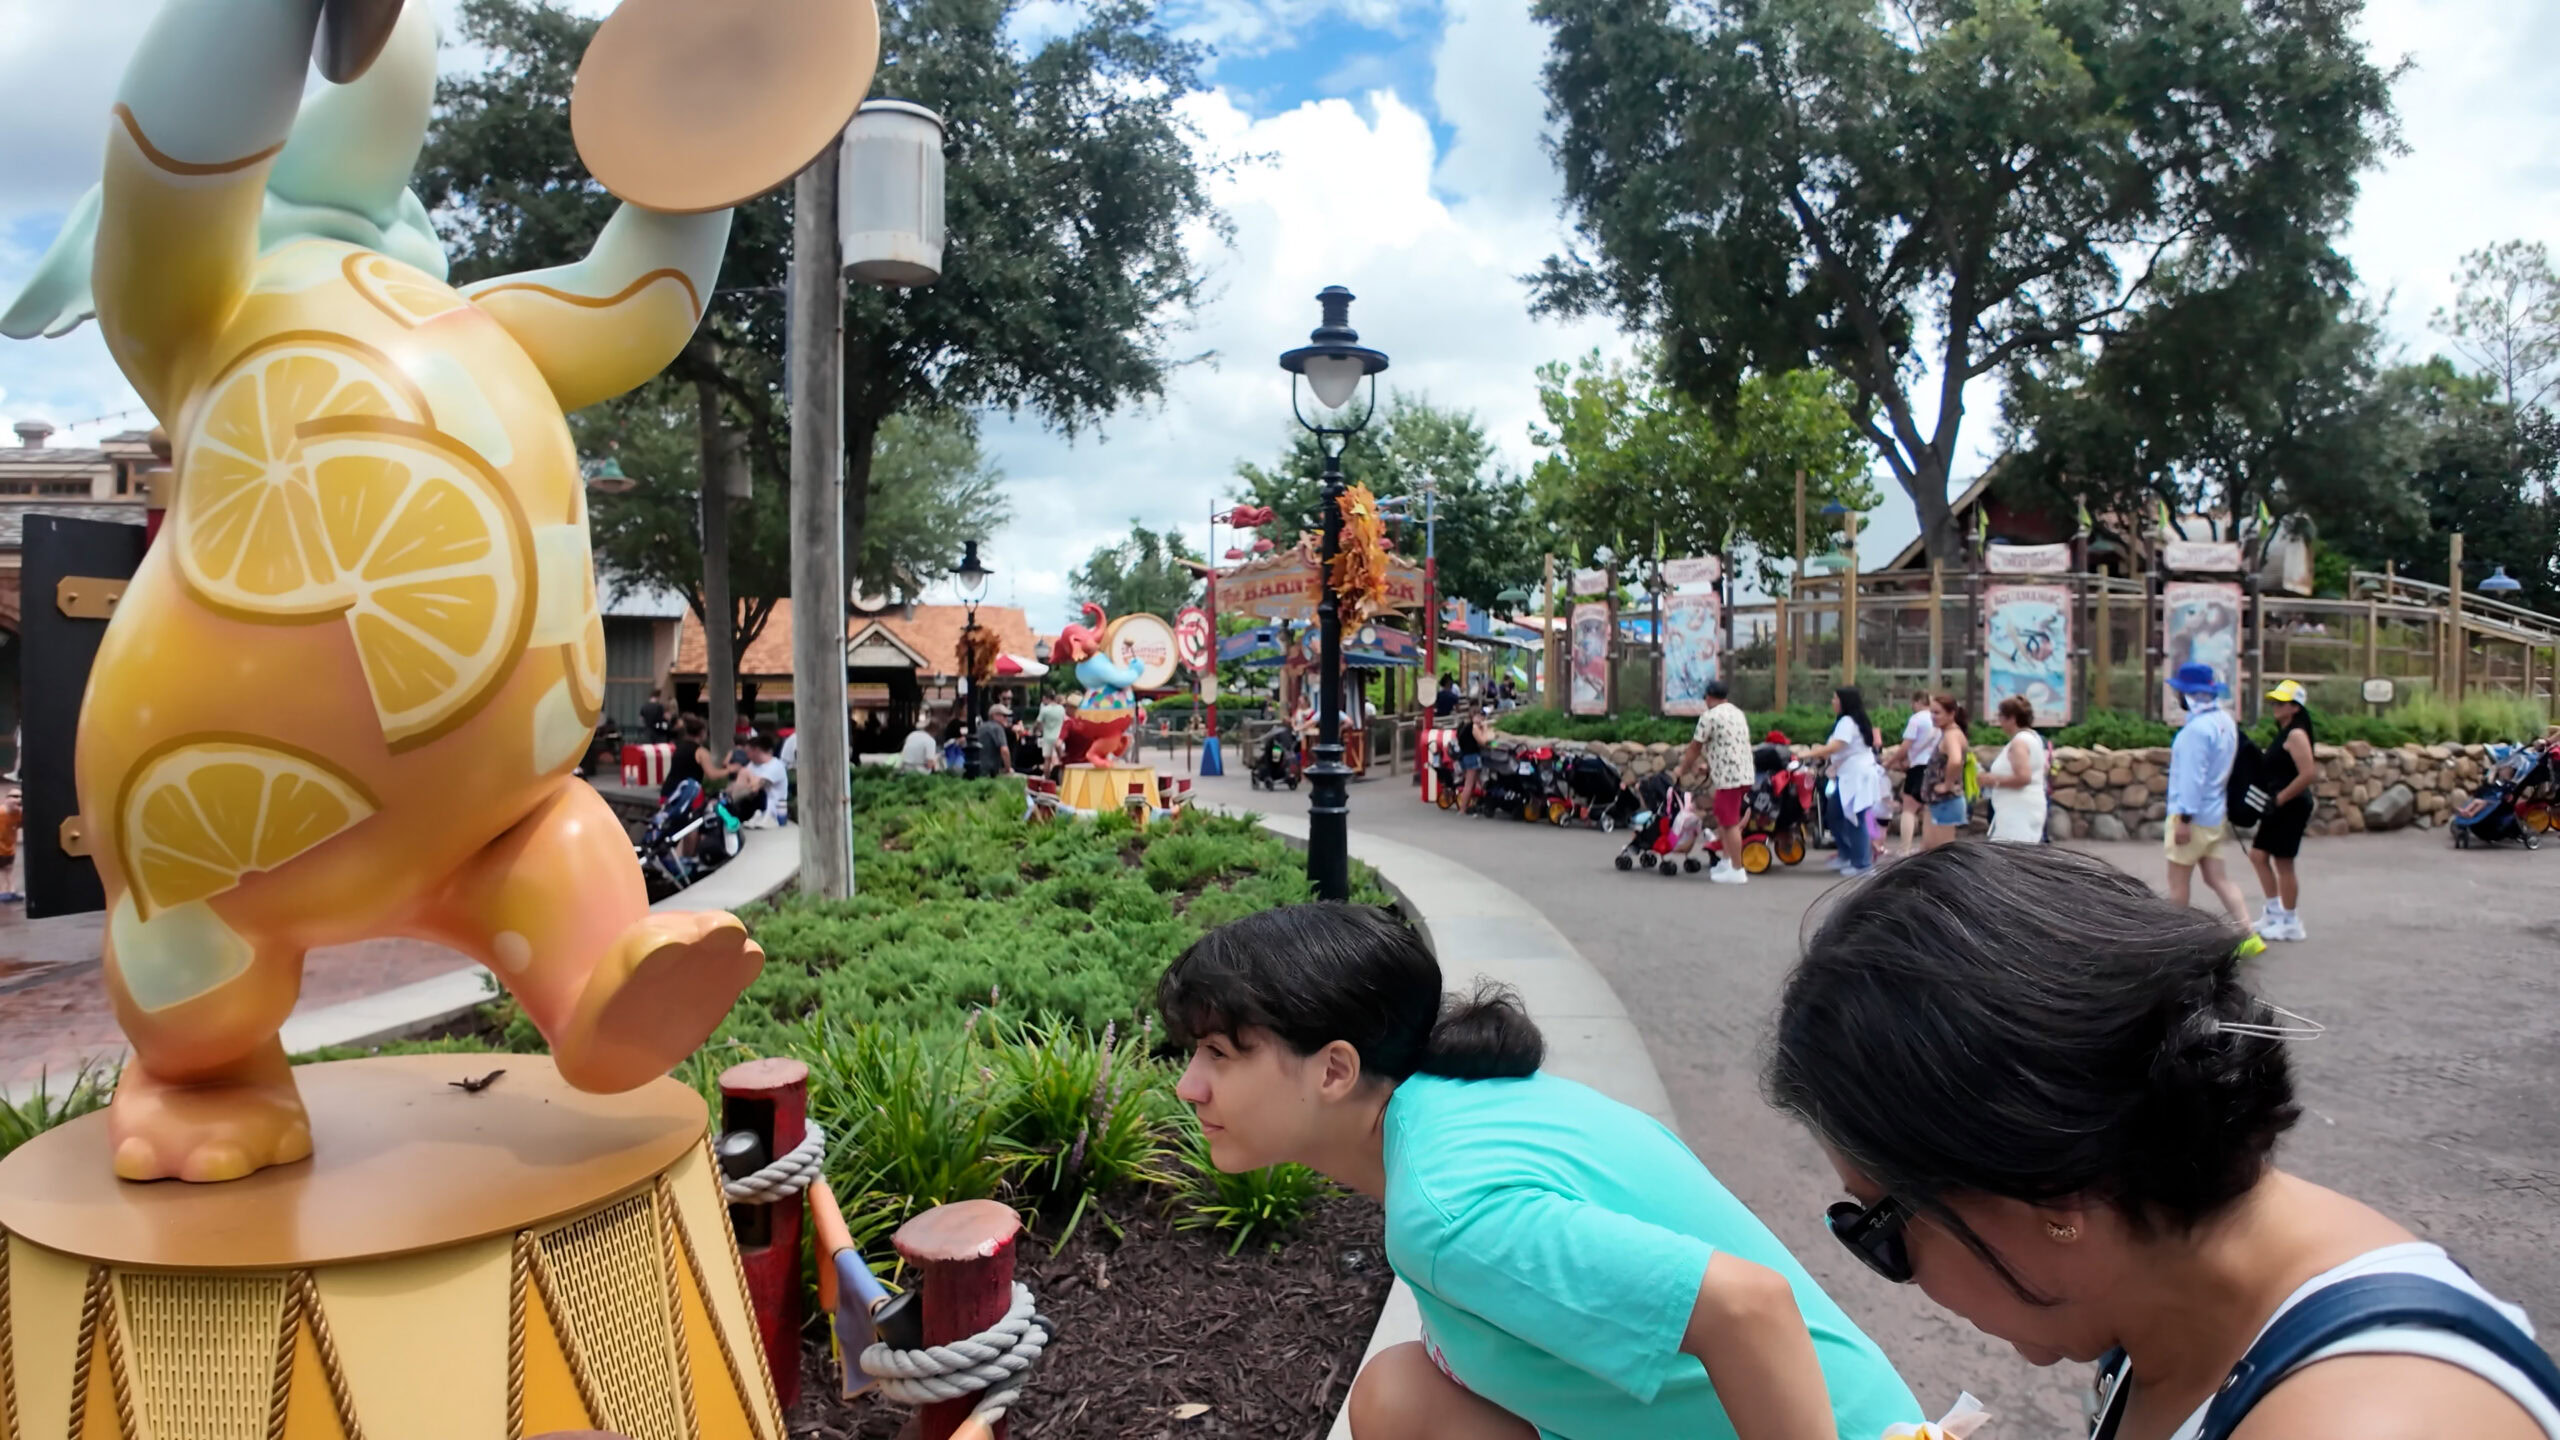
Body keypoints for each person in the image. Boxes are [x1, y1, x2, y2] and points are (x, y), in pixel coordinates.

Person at [1767, 844, 2559, 1440]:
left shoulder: (2371, 1418)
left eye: (1878, 1230)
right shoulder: (2168, 1318)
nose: (1896, 1274)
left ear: (2047, 1192)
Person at [1160, 905, 1921, 1440]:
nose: (1188, 1086)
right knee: (1400, 1393)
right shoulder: (1446, 1104)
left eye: (1221, 1056)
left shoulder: (1451, 1208)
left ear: (1334, 1070)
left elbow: (1749, 1308)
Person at [2164, 663, 2252, 924]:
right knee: (2218, 878)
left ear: (2189, 695)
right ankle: (2247, 931)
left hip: (2192, 817)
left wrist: (2184, 820)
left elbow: (2192, 779)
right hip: (2214, 814)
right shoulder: (2224, 722)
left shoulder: (2195, 732)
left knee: (2177, 884)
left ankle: (2176, 938)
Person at [2246, 680, 2318, 943]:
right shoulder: (2285, 732)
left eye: (2281, 702)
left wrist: (2281, 798)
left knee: (2283, 862)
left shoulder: (2296, 735)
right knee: (2257, 855)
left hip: (2291, 805)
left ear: (2295, 707)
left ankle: (2290, 921)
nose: (2275, 706)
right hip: (2278, 804)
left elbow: (2308, 773)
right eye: (2274, 702)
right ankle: (2274, 912)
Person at [1677, 677, 1755, 884]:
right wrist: (1710, 767)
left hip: (1729, 779)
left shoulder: (1709, 717)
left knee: (1729, 823)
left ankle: (1737, 870)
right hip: (1743, 774)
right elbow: (1731, 746)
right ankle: (1727, 861)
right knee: (1725, 818)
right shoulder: (1737, 713)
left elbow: (1695, 747)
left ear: (1709, 697)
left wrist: (1682, 769)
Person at [1802, 686, 1887, 877]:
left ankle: (1862, 864)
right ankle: (1847, 855)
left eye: (1835, 699)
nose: (1832, 702)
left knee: (1855, 820)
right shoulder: (1848, 721)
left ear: (1844, 701)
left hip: (1857, 777)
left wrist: (1807, 754)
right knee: (1835, 815)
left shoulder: (1848, 722)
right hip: (1850, 777)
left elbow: (1835, 746)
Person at [1981, 695, 2049, 844]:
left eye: (2001, 716)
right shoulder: (2034, 738)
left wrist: (1993, 779)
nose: (1999, 721)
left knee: (2009, 852)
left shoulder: (2020, 742)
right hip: (2026, 804)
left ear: (2011, 718)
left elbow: (2023, 777)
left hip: (2017, 809)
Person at [1884, 688, 1939, 860]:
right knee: (1929, 808)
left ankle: (1905, 848)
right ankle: (1927, 846)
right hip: (1934, 766)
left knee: (1909, 808)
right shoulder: (1937, 719)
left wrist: (1890, 762)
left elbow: (1906, 746)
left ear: (1916, 702)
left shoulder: (1916, 719)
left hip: (1918, 766)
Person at [1918, 695, 1971, 851]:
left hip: (1945, 801)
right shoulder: (1949, 733)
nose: (1933, 717)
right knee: (1929, 850)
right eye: (1931, 713)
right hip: (1939, 802)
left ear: (1951, 714)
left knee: (1940, 853)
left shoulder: (1951, 735)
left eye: (1937, 713)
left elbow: (1955, 760)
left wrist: (1947, 784)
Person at [727, 731, 788, 826]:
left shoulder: (776, 766)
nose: (746, 756)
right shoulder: (752, 765)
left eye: (748, 752)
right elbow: (741, 784)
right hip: (751, 806)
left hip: (770, 811)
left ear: (756, 750)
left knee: (746, 780)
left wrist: (746, 775)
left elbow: (755, 787)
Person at [1456, 703, 1489, 809]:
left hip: (1464, 756)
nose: (1481, 718)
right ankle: (1463, 809)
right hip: (1472, 757)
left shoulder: (1464, 726)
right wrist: (1485, 729)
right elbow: (1483, 741)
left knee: (1474, 782)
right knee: (1469, 784)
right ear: (1474, 716)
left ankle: (1474, 804)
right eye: (1479, 716)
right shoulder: (1474, 727)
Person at [971, 704, 1015, 779]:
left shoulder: (982, 726)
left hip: (977, 770)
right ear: (994, 716)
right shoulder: (997, 728)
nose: (1007, 718)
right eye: (1004, 716)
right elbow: (1004, 750)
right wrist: (1008, 769)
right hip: (990, 772)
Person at [0, 784, 22, 905]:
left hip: (9, 848)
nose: (18, 799)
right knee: (3, 870)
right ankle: (3, 892)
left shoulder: (19, 814)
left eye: (20, 797)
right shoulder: (1, 813)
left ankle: (10, 891)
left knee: (8, 870)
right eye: (14, 796)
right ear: (6, 799)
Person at [1037, 695, 1069, 775]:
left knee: (1047, 760)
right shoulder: (1061, 709)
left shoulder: (1044, 709)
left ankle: (1047, 780)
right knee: (1061, 759)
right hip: (1059, 737)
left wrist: (1041, 730)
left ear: (1048, 699)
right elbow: (1065, 720)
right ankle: (1063, 779)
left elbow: (1038, 722)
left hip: (1047, 737)